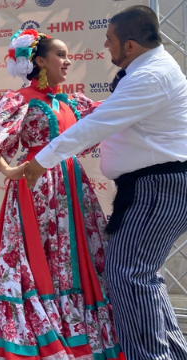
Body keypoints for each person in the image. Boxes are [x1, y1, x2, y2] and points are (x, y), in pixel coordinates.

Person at [24, 5, 187, 359]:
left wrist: (41, 159)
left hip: (157, 188)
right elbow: (103, 118)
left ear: (130, 46)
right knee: (139, 276)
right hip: (150, 187)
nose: (105, 46)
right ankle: (170, 352)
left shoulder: (151, 77)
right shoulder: (147, 71)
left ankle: (152, 356)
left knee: (129, 276)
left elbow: (98, 125)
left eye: (110, 40)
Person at [0, 29, 125, 359]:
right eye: (61, 54)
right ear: (39, 61)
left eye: (67, 55)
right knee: (37, 258)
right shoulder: (19, 100)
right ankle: (38, 333)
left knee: (74, 257)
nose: (68, 60)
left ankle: (71, 330)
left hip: (73, 187)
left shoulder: (72, 102)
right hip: (34, 188)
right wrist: (8, 170)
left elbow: (113, 116)